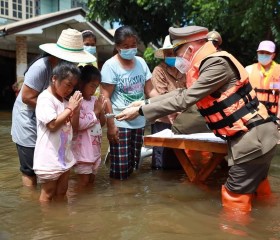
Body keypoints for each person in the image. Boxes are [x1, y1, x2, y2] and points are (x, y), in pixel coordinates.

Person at [116, 25, 280, 212]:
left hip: (252, 141)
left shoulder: (216, 64)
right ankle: (268, 225)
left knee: (234, 198)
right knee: (259, 189)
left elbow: (184, 99)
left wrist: (142, 111)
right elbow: (183, 92)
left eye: (178, 54)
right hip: (257, 137)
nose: (179, 60)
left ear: (190, 49)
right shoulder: (208, 64)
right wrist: (143, 103)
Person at [11, 28, 95, 187]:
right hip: (27, 122)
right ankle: (33, 206)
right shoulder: (41, 67)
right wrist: (57, 110)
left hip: (51, 121)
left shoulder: (68, 72)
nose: (74, 63)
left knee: (51, 166)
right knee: (30, 170)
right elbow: (26, 97)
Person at [100, 25, 157, 180]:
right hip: (120, 122)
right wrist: (111, 125)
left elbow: (150, 91)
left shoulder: (141, 63)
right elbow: (104, 97)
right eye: (126, 46)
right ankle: (118, 200)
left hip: (139, 121)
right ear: (118, 46)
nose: (130, 49)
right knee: (120, 171)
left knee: (133, 167)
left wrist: (162, 107)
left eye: (133, 45)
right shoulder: (110, 66)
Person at [33, 61, 83, 202]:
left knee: (62, 192)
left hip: (64, 156)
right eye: (68, 84)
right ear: (54, 79)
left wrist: (76, 110)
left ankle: (61, 221)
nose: (70, 89)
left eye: (73, 86)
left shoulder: (65, 101)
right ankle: (47, 223)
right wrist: (70, 108)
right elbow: (53, 125)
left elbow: (75, 128)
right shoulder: (45, 99)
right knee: (48, 194)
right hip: (48, 156)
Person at [151, 35, 186, 169]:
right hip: (163, 120)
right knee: (161, 160)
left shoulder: (183, 70)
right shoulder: (158, 71)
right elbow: (163, 95)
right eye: (168, 53)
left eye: (173, 53)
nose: (170, 56)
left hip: (181, 120)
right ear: (164, 55)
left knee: (179, 160)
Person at [72, 65, 106, 187]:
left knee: (91, 182)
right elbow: (78, 125)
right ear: (81, 83)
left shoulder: (94, 101)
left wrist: (101, 111)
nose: (93, 90)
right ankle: (78, 204)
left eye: (96, 87)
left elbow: (101, 123)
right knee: (84, 183)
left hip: (95, 150)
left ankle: (90, 205)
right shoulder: (77, 101)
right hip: (83, 152)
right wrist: (96, 112)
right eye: (91, 86)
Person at [245, 40, 280, 117]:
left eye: (267, 53)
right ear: (257, 53)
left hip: (273, 116)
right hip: (253, 115)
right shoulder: (248, 70)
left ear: (273, 55)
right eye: (261, 52)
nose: (264, 55)